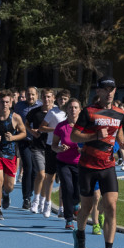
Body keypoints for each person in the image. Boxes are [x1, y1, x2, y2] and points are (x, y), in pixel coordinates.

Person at [71, 77, 124, 248]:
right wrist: (95, 135)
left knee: (111, 205)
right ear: (98, 91)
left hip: (108, 166)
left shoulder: (119, 112)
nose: (110, 92)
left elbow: (118, 131)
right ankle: (80, 235)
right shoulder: (88, 112)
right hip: (87, 166)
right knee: (86, 207)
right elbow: (74, 135)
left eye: (113, 89)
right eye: (106, 89)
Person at [0, 90, 27, 220]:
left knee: (9, 186)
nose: (4, 104)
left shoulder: (15, 117)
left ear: (11, 103)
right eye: (2, 102)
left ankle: (5, 194)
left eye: (7, 102)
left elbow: (24, 133)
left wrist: (13, 137)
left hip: (10, 154)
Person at [38, 88, 70, 217]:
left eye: (65, 99)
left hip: (67, 148)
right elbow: (41, 127)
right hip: (52, 146)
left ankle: (62, 207)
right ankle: (47, 203)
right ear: (57, 100)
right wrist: (56, 129)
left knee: (64, 179)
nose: (62, 101)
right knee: (50, 177)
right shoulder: (53, 112)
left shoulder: (71, 113)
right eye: (61, 99)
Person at [52, 98, 82, 230]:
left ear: (80, 110)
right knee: (67, 188)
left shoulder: (84, 128)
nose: (73, 110)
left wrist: (83, 149)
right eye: (70, 107)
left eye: (75, 107)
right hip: (63, 162)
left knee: (78, 191)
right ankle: (69, 219)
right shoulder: (61, 126)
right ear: (67, 110)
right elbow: (53, 145)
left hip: (80, 163)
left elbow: (90, 144)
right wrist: (59, 148)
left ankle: (75, 204)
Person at [25, 88, 55, 214]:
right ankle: (36, 199)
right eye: (44, 97)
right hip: (37, 147)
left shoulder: (57, 112)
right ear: (41, 98)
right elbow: (25, 124)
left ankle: (43, 200)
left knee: (48, 177)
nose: (46, 99)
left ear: (53, 98)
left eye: (48, 97)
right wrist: (32, 132)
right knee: (41, 174)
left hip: (51, 147)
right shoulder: (35, 112)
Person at [14, 86, 41, 208]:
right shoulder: (19, 106)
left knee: (36, 170)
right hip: (24, 140)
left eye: (33, 95)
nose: (30, 97)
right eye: (29, 94)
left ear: (37, 96)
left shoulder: (41, 106)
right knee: (28, 167)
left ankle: (32, 194)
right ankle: (26, 198)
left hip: (37, 141)